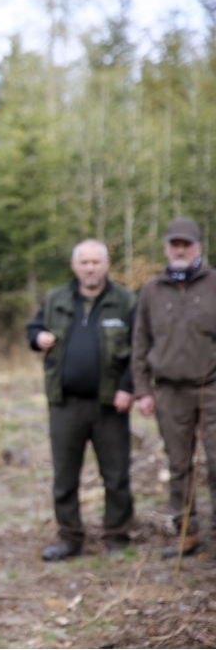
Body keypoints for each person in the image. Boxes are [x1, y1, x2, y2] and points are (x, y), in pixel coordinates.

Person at [26, 240, 136, 561]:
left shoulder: (126, 301)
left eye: (96, 262)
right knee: (64, 476)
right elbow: (33, 328)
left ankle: (117, 537)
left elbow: (140, 349)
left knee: (116, 475)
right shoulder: (55, 298)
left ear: (106, 265)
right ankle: (69, 538)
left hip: (110, 403)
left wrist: (128, 387)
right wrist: (38, 337)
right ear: (74, 266)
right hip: (65, 403)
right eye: (84, 262)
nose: (90, 268)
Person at [132, 217, 216, 559]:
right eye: (174, 244)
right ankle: (186, 531)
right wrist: (143, 390)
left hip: (211, 388)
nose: (180, 250)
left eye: (186, 244)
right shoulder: (152, 291)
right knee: (179, 464)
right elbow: (140, 343)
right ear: (166, 248)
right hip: (168, 391)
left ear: (198, 247)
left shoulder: (214, 284)